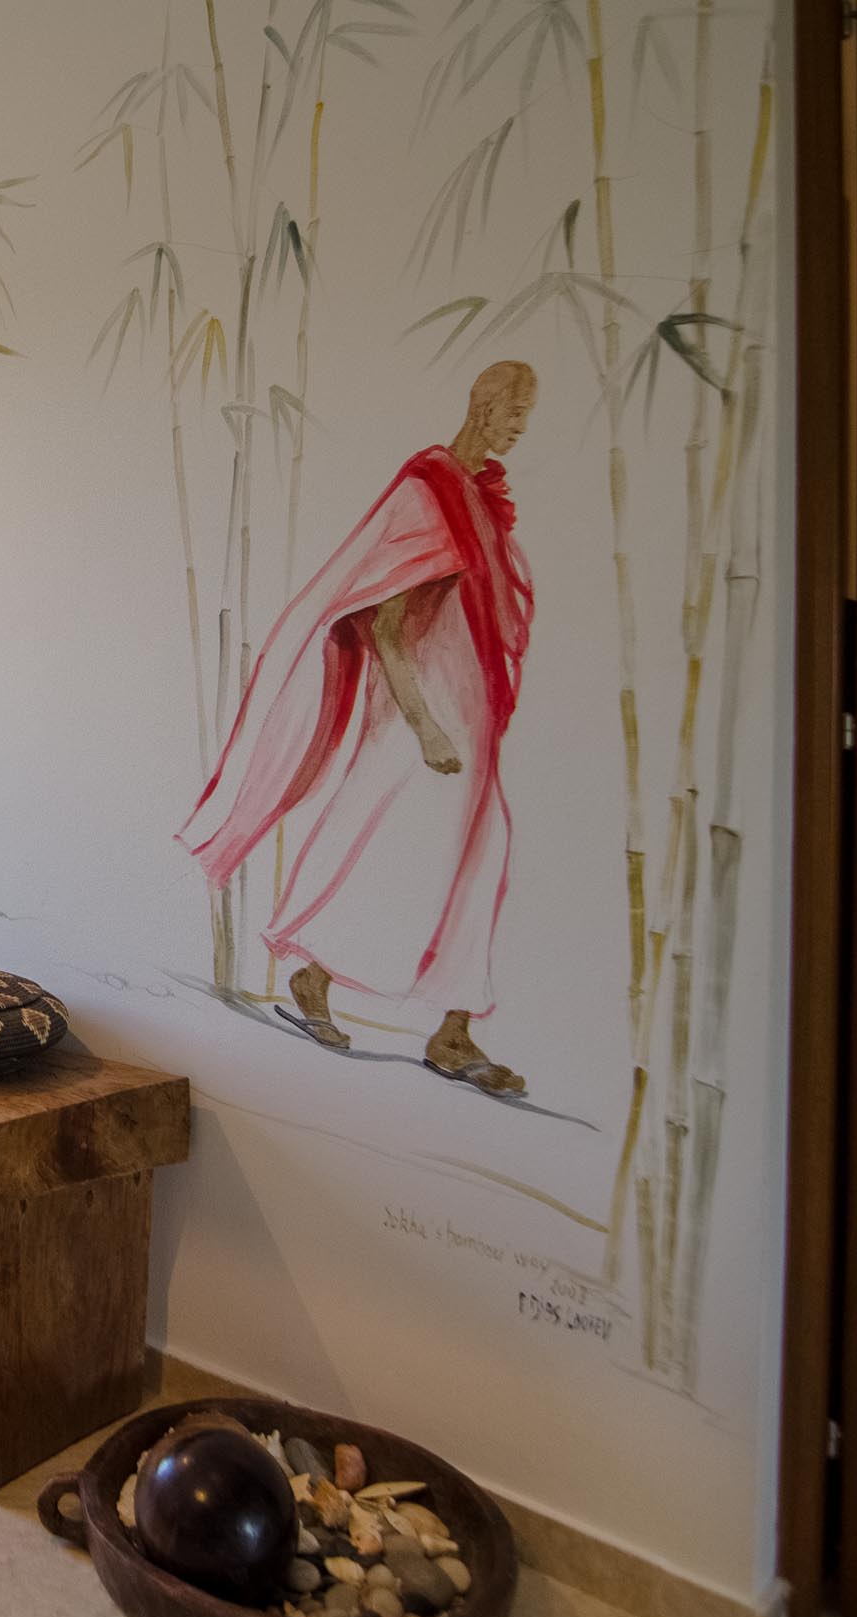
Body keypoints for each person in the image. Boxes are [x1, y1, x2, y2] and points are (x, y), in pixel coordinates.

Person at [179, 361, 539, 1096]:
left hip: (470, 714)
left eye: (524, 416)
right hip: (417, 715)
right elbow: (385, 624)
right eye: (513, 412)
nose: (519, 428)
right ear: (483, 405)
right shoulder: (427, 491)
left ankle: (453, 1031)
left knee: (480, 853)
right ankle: (312, 978)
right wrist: (425, 726)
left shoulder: (477, 494)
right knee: (376, 843)